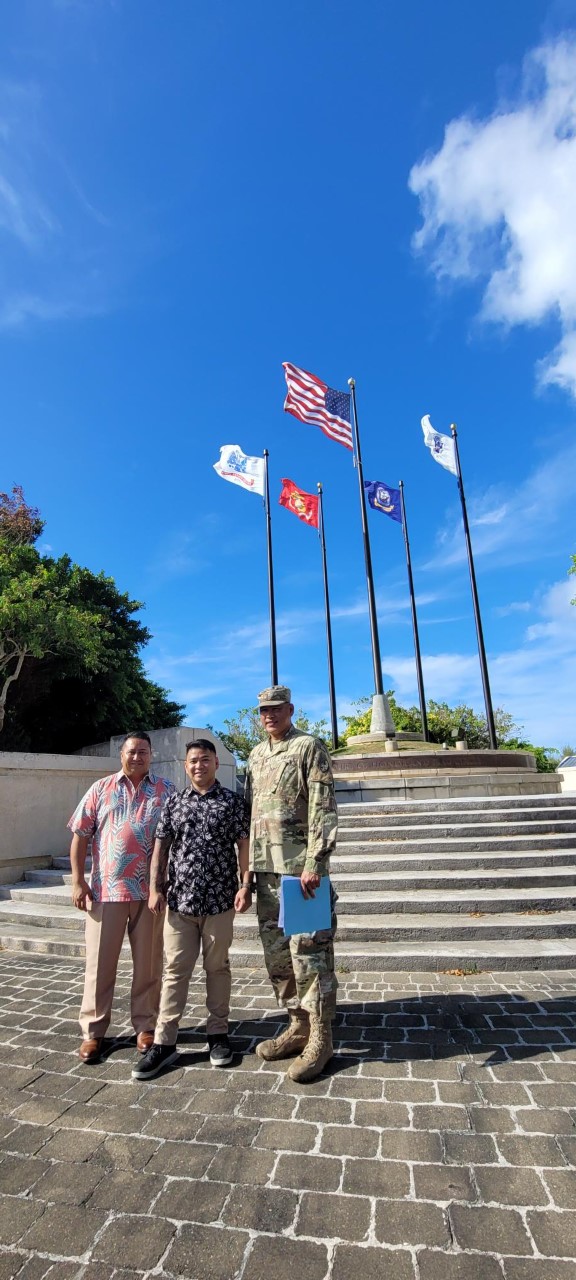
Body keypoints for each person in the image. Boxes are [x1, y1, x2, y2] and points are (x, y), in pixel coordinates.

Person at [132, 738, 251, 1080]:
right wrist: (155, 888)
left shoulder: (232, 803)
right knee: (175, 971)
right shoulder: (174, 802)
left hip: (220, 901)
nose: (199, 765)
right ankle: (165, 1041)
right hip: (180, 902)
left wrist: (246, 885)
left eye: (205, 759)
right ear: (186, 766)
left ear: (216, 763)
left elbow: (244, 846)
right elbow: (161, 848)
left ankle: (218, 1034)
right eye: (193, 761)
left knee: (218, 968)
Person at [245, 686, 338, 1083]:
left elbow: (322, 806)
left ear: (290, 710)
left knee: (310, 954)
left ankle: (321, 1037)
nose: (269, 715)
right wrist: (248, 870)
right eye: (263, 710)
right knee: (279, 957)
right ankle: (297, 1024)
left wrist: (316, 861)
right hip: (266, 873)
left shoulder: (308, 747)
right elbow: (251, 813)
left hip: (301, 874)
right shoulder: (255, 755)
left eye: (276, 709)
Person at [69, 731, 174, 1064]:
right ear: (121, 755)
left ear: (151, 755)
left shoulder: (167, 791)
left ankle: (145, 1026)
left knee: (149, 965)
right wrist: (77, 881)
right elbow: (80, 835)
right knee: (99, 966)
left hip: (150, 893)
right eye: (131, 751)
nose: (137, 757)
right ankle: (93, 1031)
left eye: (143, 751)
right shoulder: (100, 789)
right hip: (106, 891)